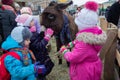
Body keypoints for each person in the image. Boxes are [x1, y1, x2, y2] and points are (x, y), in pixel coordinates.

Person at [59, 1, 107, 80]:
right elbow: (86, 45)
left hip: (83, 72)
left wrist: (64, 51)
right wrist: (73, 43)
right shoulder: (95, 35)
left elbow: (73, 57)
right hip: (94, 67)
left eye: (78, 25)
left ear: (83, 26)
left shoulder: (83, 42)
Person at [15, 14, 54, 80]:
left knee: (46, 67)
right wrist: (47, 37)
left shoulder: (31, 31)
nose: (34, 21)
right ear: (28, 23)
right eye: (32, 20)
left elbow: (37, 39)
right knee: (41, 69)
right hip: (37, 56)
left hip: (39, 55)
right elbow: (39, 46)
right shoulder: (29, 35)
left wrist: (42, 33)